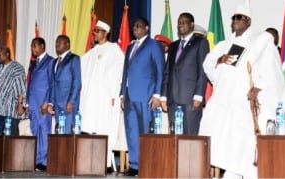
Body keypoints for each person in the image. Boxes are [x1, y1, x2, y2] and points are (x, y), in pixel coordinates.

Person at [199, 3, 285, 178]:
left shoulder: (260, 40)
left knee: (244, 145)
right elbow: (208, 66)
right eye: (234, 18)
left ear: (248, 21)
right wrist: (219, 61)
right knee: (225, 142)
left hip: (244, 104)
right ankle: (231, 174)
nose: (236, 21)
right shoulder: (224, 44)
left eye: (240, 17)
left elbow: (271, 69)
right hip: (225, 102)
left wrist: (259, 87)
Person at [120, 17, 165, 176]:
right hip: (129, 97)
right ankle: (134, 165)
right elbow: (125, 72)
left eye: (139, 26)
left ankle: (147, 164)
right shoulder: (130, 46)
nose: (135, 29)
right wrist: (122, 94)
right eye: (134, 26)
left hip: (146, 95)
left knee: (145, 131)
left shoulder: (154, 45)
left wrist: (158, 94)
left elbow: (160, 71)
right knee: (131, 130)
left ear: (147, 28)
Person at [80, 20, 124, 172]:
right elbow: (82, 71)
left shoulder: (113, 49)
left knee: (103, 128)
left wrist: (114, 93)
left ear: (106, 33)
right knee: (89, 127)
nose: (95, 33)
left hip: (105, 98)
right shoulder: (91, 52)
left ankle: (105, 162)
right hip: (91, 99)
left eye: (98, 31)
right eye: (95, 31)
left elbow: (119, 72)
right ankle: (90, 161)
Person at [161, 12, 209, 135]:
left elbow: (203, 70)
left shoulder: (200, 42)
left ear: (192, 24)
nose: (180, 24)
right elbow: (167, 72)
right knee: (174, 138)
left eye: (184, 21)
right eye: (179, 22)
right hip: (172, 100)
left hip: (190, 99)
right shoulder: (173, 45)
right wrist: (164, 96)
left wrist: (198, 95)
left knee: (189, 138)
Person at [27, 37, 54, 171]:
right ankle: (37, 160)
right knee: (35, 131)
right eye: (32, 46)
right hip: (33, 103)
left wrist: (48, 102)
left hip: (42, 104)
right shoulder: (34, 63)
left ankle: (44, 162)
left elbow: (52, 83)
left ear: (42, 46)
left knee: (44, 131)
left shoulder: (50, 61)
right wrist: (27, 103)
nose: (33, 49)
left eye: (35, 46)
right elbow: (30, 84)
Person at [0, 46, 26, 135]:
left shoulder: (17, 68)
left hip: (10, 112)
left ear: (7, 54)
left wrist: (20, 105)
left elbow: (21, 88)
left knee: (9, 140)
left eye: (0, 54)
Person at [47, 35, 81, 134]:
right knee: (59, 133)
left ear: (67, 44)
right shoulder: (54, 62)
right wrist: (51, 102)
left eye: (60, 42)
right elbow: (53, 83)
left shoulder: (74, 58)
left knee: (68, 133)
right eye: (56, 42)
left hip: (68, 103)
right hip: (57, 104)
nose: (57, 44)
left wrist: (71, 101)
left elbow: (77, 81)